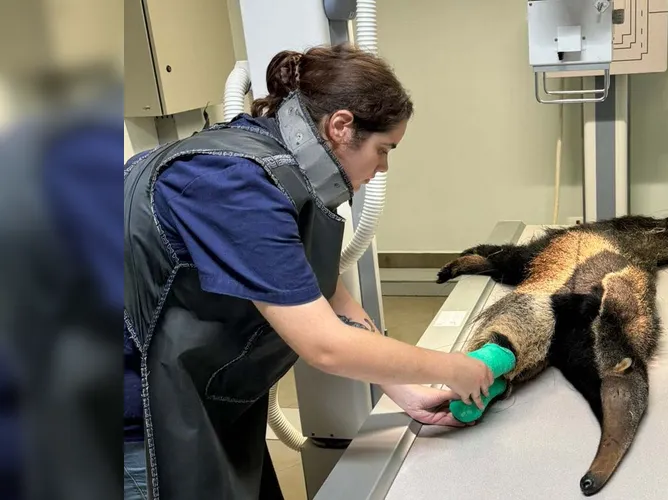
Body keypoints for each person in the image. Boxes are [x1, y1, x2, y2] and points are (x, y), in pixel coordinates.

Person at [123, 43, 494, 500]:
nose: (382, 168)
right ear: (340, 126)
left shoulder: (274, 169)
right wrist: (454, 368)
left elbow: (322, 288)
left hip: (205, 397)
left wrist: (406, 390)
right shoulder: (232, 184)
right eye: (383, 149)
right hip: (133, 415)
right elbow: (325, 345)